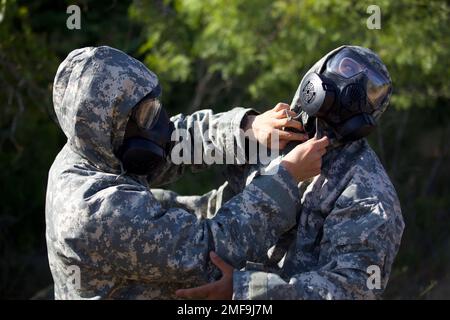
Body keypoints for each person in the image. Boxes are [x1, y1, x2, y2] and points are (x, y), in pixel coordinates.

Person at [45, 46, 329, 299]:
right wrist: (287, 177)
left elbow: (176, 140)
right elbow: (211, 250)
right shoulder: (93, 211)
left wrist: (247, 127)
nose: (157, 122)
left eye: (153, 106)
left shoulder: (100, 148)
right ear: (110, 127)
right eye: (145, 114)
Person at [176, 45, 405, 300]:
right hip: (204, 270)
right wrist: (245, 127)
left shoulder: (369, 195)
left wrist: (243, 291)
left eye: (371, 91)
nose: (352, 87)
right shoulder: (271, 130)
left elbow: (353, 291)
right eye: (347, 68)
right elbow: (177, 150)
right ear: (319, 72)